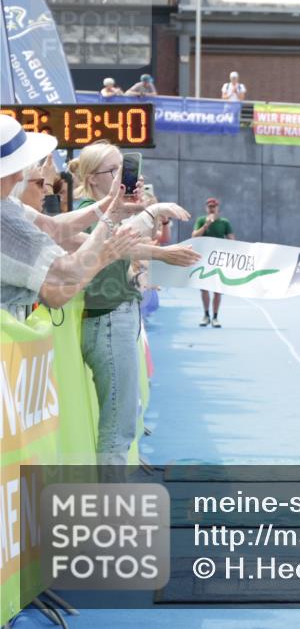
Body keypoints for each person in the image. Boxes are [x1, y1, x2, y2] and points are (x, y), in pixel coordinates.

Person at [72, 141, 200, 468]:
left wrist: (149, 214)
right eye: (113, 171)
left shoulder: (103, 212)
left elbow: (126, 242)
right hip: (109, 322)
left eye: (126, 170)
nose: (126, 177)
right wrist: (154, 215)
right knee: (118, 428)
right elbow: (118, 244)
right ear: (91, 178)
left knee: (123, 424)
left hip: (119, 318)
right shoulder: (88, 213)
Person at [0, 115, 140, 318]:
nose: (21, 176)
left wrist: (110, 202)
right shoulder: (5, 218)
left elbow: (53, 228)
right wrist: (111, 217)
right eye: (16, 167)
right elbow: (69, 272)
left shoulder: (7, 206)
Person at [191, 197, 235, 327]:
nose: (212, 208)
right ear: (206, 208)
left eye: (214, 206)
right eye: (209, 206)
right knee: (204, 289)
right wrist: (206, 225)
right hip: (203, 259)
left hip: (218, 260)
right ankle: (206, 315)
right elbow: (194, 236)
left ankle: (215, 317)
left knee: (217, 289)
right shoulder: (201, 220)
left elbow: (232, 239)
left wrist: (225, 246)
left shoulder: (224, 222)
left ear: (217, 208)